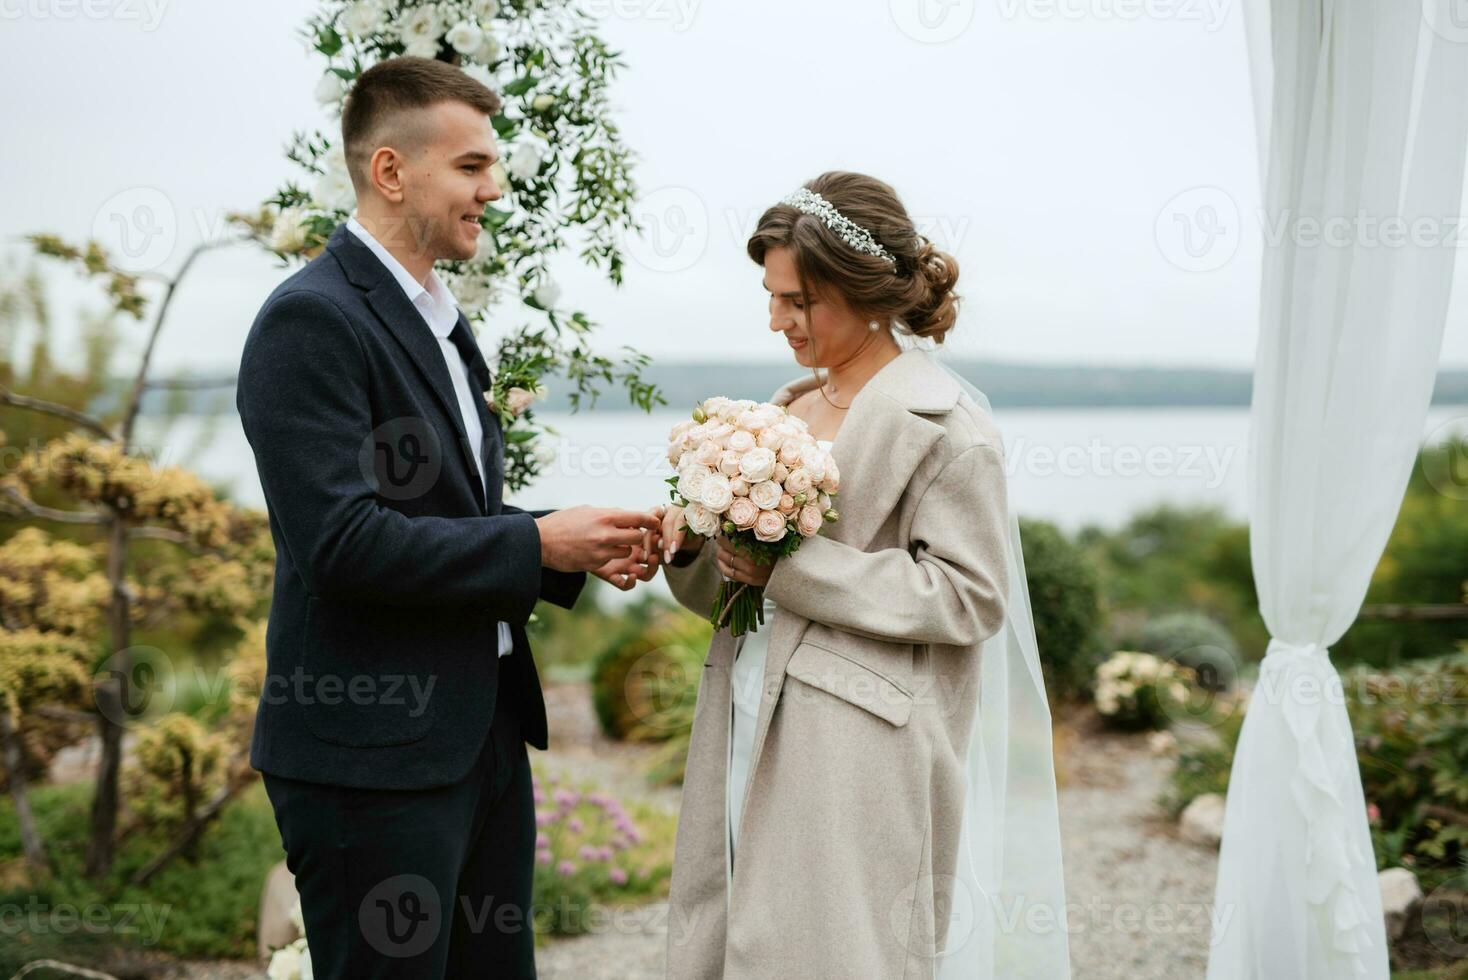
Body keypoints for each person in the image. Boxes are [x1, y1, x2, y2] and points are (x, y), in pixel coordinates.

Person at [236, 56, 659, 979]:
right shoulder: (310, 321)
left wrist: (575, 544)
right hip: (370, 762)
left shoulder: (438, 318)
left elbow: (449, 514)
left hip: (478, 739)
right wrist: (536, 542)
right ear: (391, 172)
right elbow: (343, 545)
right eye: (471, 166)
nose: (493, 189)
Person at [652, 172, 1069, 978]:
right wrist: (690, 552)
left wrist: (795, 568)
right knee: (731, 924)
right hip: (743, 705)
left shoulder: (950, 430)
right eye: (772, 297)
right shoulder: (784, 411)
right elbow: (740, 592)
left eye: (798, 301)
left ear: (861, 289)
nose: (778, 320)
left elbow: (971, 597)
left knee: (834, 950)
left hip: (859, 749)